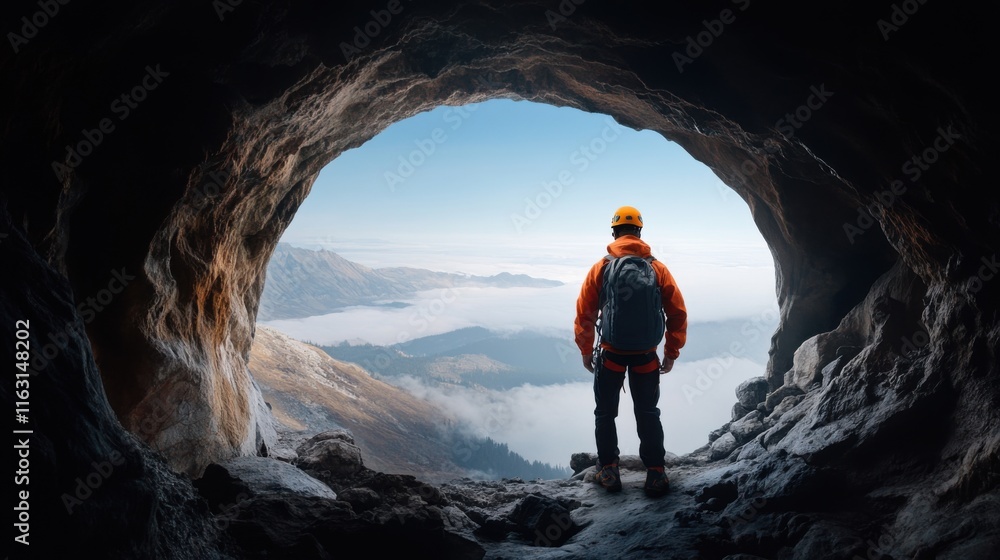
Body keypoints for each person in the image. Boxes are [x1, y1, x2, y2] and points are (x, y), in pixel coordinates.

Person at [573, 205, 687, 497]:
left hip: (611, 353)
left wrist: (586, 350)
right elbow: (677, 313)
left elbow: (585, 313)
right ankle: (656, 473)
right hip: (646, 355)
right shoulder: (658, 268)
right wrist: (671, 352)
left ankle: (609, 471)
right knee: (648, 412)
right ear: (639, 231)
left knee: (605, 413)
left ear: (614, 232)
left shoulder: (601, 267)